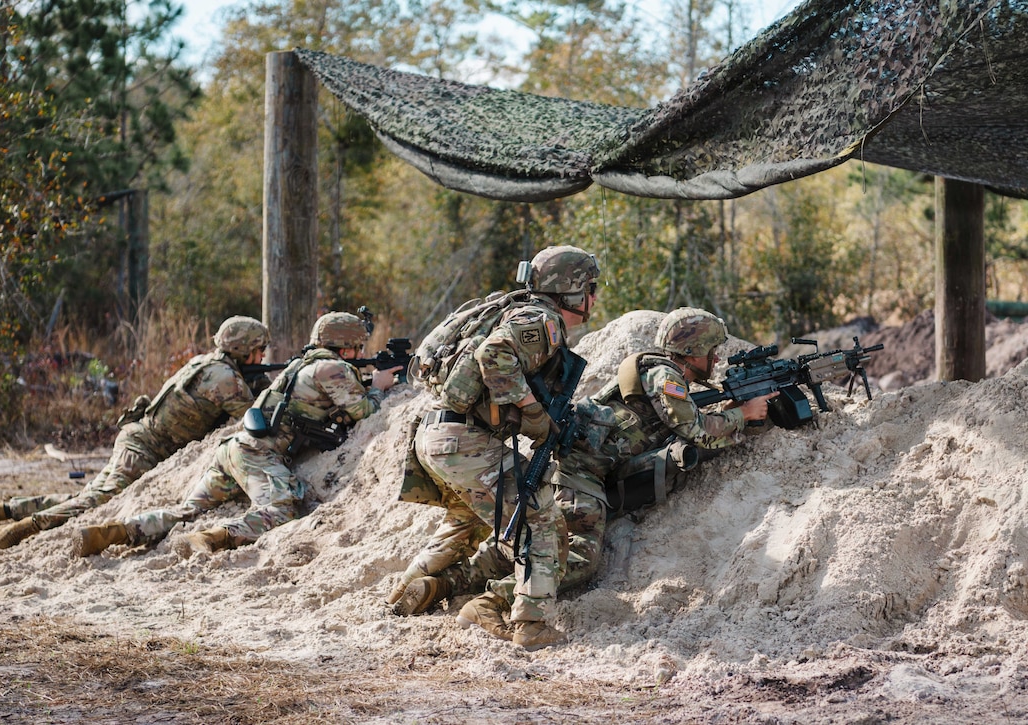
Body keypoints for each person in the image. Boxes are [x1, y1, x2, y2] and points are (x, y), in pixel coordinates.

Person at [392, 307, 779, 639]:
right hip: (582, 473)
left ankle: (443, 584)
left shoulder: (658, 371)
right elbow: (696, 431)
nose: (716, 359)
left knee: (524, 541)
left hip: (581, 465)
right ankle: (491, 602)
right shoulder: (666, 377)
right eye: (712, 350)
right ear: (692, 350)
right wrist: (743, 415)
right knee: (577, 557)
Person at [389, 244, 600, 651]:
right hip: (463, 441)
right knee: (542, 520)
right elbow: (496, 354)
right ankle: (532, 625)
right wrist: (533, 412)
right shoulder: (542, 320)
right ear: (570, 289)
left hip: (435, 434)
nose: (593, 297)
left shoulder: (508, 309)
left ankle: (407, 592)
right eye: (589, 287)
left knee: (464, 523)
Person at [74, 311, 401, 558]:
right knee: (282, 510)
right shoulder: (333, 368)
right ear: (345, 348)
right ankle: (213, 538)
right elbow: (366, 412)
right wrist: (380, 387)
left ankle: (119, 531)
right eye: (358, 348)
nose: (361, 354)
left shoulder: (301, 365)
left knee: (188, 510)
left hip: (233, 450)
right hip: (258, 456)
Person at [0, 316, 271, 550]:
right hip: (144, 449)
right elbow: (255, 417)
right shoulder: (226, 379)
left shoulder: (206, 363)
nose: (262, 358)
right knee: (96, 500)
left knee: (87, 497)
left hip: (137, 438)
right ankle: (22, 529)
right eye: (259, 351)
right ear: (242, 350)